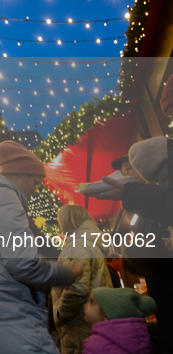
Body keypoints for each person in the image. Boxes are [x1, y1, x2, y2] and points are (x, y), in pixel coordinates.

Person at [0, 140, 80, 354]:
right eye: (35, 182)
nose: (36, 190)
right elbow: (23, 263)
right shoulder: (5, 198)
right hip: (10, 318)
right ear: (20, 174)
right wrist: (68, 273)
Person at [93, 137, 173, 353]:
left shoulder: (155, 200)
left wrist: (133, 252)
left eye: (130, 169)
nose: (126, 175)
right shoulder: (147, 204)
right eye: (124, 171)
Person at [51, 205, 113, 354]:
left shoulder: (77, 245)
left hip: (79, 324)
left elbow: (77, 288)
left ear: (67, 221)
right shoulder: (89, 241)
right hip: (92, 320)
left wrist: (60, 315)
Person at [82, 288, 156, 354]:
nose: (85, 306)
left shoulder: (94, 345)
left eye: (92, 303)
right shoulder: (141, 339)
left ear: (106, 313)